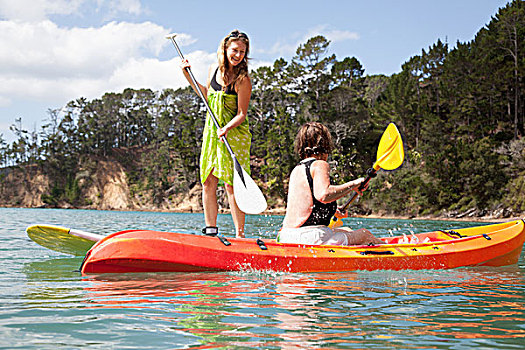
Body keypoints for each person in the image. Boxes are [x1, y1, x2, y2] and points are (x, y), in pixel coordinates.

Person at [180, 30, 252, 238]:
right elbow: (206, 96)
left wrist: (227, 128)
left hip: (234, 134)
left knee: (231, 185)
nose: (238, 55)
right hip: (212, 133)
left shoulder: (242, 80)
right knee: (208, 180)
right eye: (235, 50)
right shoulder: (213, 69)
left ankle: (240, 235)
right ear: (225, 49)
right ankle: (211, 231)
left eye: (242, 52)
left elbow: (242, 113)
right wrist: (187, 75)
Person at [279, 122, 384, 246]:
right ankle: (394, 251)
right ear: (325, 144)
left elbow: (306, 203)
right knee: (365, 234)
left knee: (347, 231)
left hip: (286, 236)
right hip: (309, 237)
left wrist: (333, 210)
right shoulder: (319, 164)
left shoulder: (297, 169)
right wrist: (353, 184)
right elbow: (323, 195)